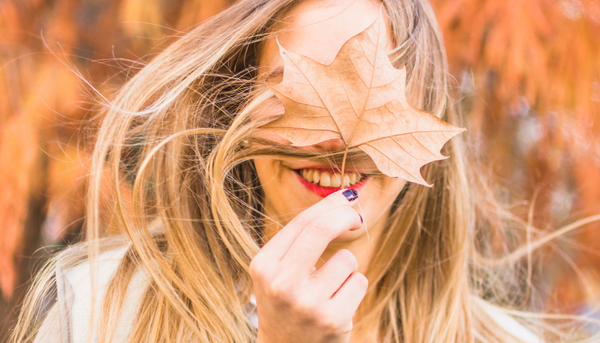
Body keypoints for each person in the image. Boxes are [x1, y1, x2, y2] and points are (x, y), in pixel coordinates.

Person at [11, 0, 594, 342]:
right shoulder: (103, 312)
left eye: (377, 95)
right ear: (234, 105)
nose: (334, 143)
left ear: (430, 122)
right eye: (294, 90)